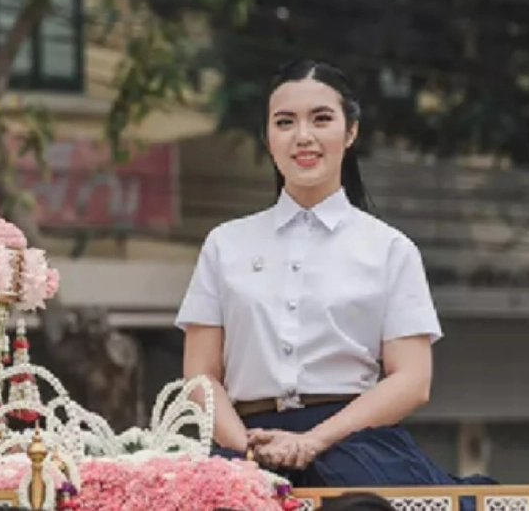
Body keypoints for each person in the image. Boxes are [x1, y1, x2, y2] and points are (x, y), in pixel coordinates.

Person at [175, 59, 491, 489]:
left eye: (321, 119)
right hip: (242, 447)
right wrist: (248, 453)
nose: (303, 136)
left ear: (351, 131)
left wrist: (310, 442)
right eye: (285, 122)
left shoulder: (390, 249)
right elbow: (199, 375)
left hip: (357, 448)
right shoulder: (223, 245)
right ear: (268, 138)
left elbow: (413, 380)